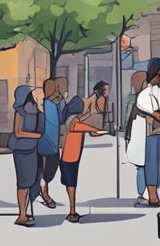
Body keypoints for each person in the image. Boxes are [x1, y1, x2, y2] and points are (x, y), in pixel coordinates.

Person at [58, 85, 109, 223]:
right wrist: (96, 129)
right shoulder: (73, 120)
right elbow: (78, 127)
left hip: (71, 156)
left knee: (71, 184)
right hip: (69, 157)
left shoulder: (75, 118)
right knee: (71, 184)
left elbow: (85, 125)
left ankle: (72, 210)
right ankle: (72, 211)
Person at [134, 58, 160, 208]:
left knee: (154, 163)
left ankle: (153, 196)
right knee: (151, 164)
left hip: (155, 132)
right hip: (148, 133)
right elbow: (158, 115)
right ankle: (152, 197)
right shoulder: (147, 93)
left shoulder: (156, 91)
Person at [10, 86, 44, 227]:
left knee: (31, 181)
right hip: (22, 150)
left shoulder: (35, 110)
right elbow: (18, 132)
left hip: (32, 149)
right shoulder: (20, 112)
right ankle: (22, 215)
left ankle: (26, 212)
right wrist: (36, 136)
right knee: (23, 183)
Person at [33, 78, 63, 210]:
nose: (56, 90)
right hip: (45, 143)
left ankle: (43, 190)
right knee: (47, 171)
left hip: (52, 143)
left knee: (49, 170)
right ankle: (44, 193)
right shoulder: (44, 105)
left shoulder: (54, 104)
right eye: (54, 87)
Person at [124, 70, 148, 203]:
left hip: (134, 135)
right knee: (143, 165)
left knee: (141, 166)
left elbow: (127, 118)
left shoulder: (131, 98)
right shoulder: (142, 99)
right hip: (141, 134)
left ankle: (141, 192)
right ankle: (142, 192)